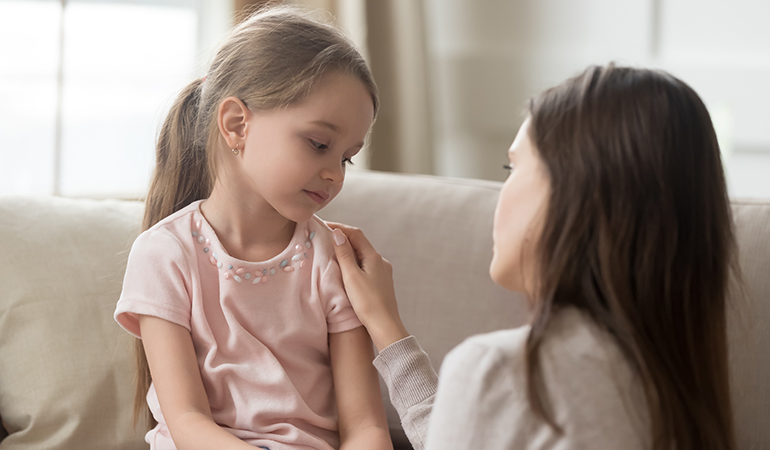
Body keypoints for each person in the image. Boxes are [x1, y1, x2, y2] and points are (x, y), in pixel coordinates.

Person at [329, 64, 738, 450]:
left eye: (513, 167)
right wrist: (387, 327)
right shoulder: (677, 385)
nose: (500, 193)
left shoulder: (500, 370)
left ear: (575, 195)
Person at [113, 6, 392, 450]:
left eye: (345, 157)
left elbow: (366, 428)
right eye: (319, 144)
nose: (334, 174)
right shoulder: (163, 254)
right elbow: (186, 421)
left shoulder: (332, 258)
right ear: (237, 125)